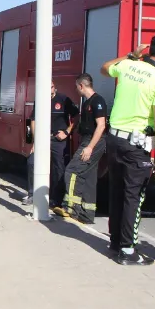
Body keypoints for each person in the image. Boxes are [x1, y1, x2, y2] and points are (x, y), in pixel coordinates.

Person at [100, 34, 155, 265]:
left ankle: (115, 242)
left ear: (148, 49)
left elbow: (104, 68)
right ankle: (128, 250)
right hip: (135, 145)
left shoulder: (129, 65)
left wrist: (131, 55)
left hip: (114, 139)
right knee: (134, 196)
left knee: (117, 191)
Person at [56, 73, 107, 224]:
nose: (76, 90)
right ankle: (86, 213)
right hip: (88, 140)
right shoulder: (87, 103)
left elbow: (101, 125)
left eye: (76, 87)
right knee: (89, 176)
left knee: (72, 171)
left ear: (81, 86)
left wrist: (90, 147)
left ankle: (70, 207)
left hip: (93, 142)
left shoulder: (97, 101)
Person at [24, 82, 78, 207]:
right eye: (47, 87)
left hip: (58, 140)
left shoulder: (63, 99)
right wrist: (35, 141)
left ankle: (56, 199)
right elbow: (34, 120)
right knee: (31, 162)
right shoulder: (40, 100)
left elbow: (76, 116)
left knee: (58, 168)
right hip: (42, 139)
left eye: (51, 87)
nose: (49, 90)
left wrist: (67, 132)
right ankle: (32, 195)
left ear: (55, 88)